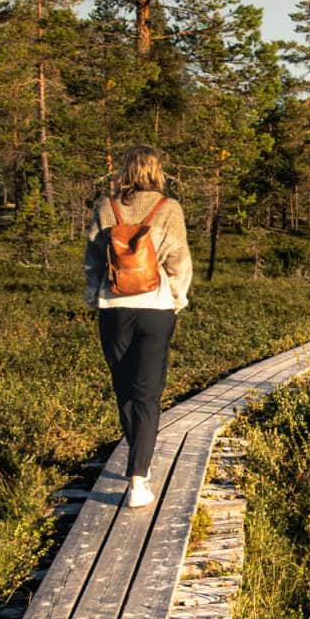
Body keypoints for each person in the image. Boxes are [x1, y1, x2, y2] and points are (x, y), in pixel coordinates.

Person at [83, 145, 193, 509]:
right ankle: (137, 481)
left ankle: (138, 464)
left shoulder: (105, 207)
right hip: (155, 309)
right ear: (156, 171)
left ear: (125, 171)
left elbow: (93, 261)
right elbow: (178, 259)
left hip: (113, 309)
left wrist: (93, 297)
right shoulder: (169, 208)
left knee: (125, 388)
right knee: (147, 393)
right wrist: (176, 299)